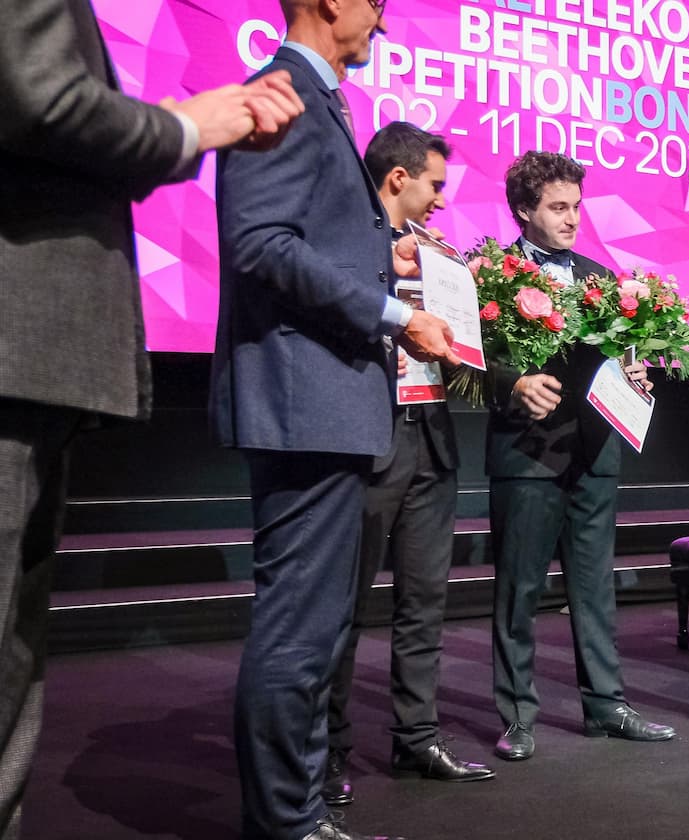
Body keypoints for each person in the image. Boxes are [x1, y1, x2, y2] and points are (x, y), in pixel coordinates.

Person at [1, 3, 302, 836]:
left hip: (35, 363)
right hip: (15, 346)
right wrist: (186, 124)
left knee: (14, 662)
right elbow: (41, 96)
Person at [213, 1, 463, 837]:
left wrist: (376, 265)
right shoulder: (281, 90)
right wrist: (396, 317)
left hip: (325, 409)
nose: (385, 21)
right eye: (378, 4)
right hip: (303, 407)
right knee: (298, 633)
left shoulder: (320, 101)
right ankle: (286, 823)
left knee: (316, 633)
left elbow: (303, 242)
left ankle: (303, 816)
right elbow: (261, 244)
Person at [322, 123, 492, 809]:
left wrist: (465, 313)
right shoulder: (350, 240)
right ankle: (328, 751)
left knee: (424, 602)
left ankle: (416, 737)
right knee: (344, 606)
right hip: (369, 437)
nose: (442, 201)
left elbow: (457, 354)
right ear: (399, 178)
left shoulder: (440, 252)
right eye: (435, 185)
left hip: (432, 437)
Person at [486, 151, 671, 761]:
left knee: (595, 587)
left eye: (576, 206)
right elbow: (471, 360)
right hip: (527, 453)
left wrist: (634, 374)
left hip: (595, 453)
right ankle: (517, 715)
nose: (572, 218)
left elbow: (616, 359)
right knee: (520, 589)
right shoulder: (493, 277)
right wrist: (512, 382)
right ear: (523, 210)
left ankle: (606, 704)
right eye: (558, 208)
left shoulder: (600, 276)